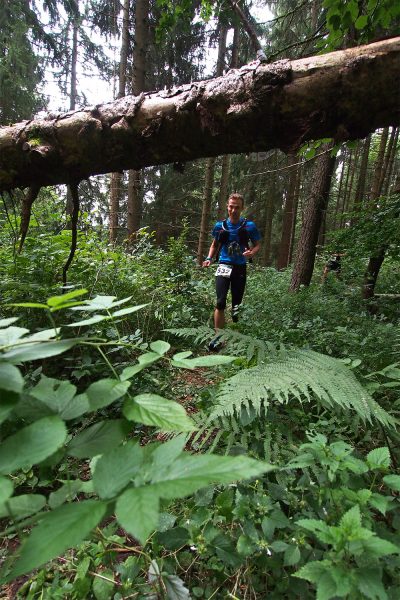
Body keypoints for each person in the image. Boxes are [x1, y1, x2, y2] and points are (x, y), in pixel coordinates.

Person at [202, 192, 261, 350]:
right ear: (227, 207)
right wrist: (208, 258)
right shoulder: (220, 226)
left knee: (236, 306)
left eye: (237, 207)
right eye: (231, 207)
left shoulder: (249, 226)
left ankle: (235, 329)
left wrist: (252, 253)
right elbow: (214, 244)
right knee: (220, 302)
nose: (233, 210)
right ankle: (217, 338)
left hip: (239, 267)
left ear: (242, 208)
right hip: (223, 265)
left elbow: (257, 245)